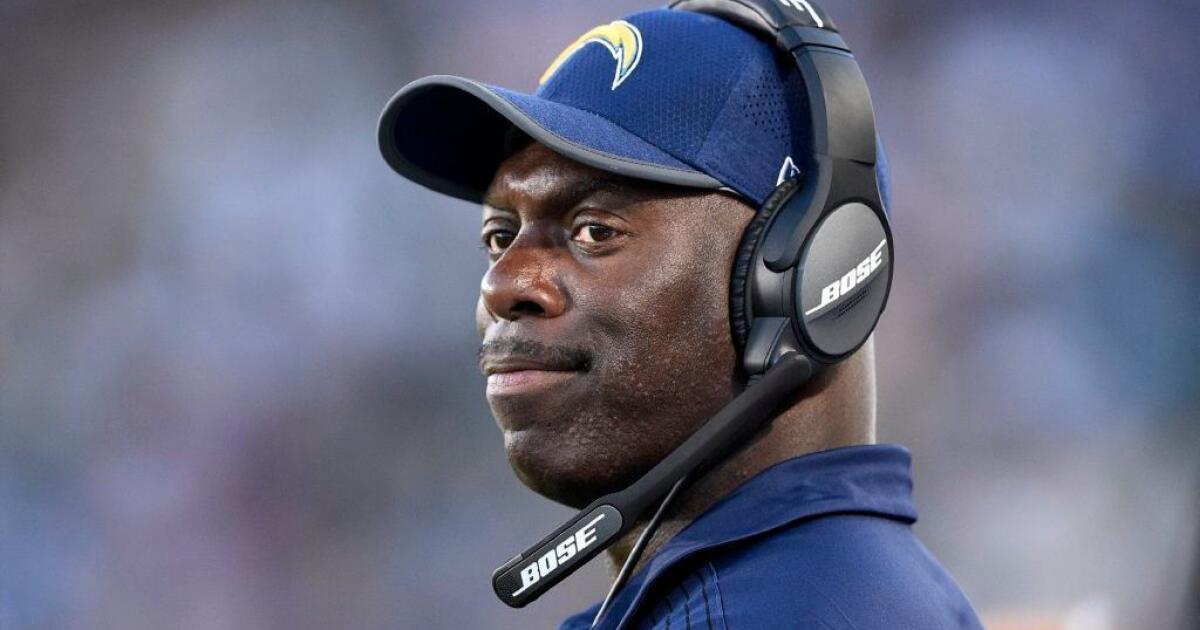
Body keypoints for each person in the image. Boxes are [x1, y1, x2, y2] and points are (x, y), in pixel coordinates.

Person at [377, 5, 983, 629]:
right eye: (500, 236)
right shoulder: (835, 590)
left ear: (813, 279)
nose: (502, 285)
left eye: (594, 231)